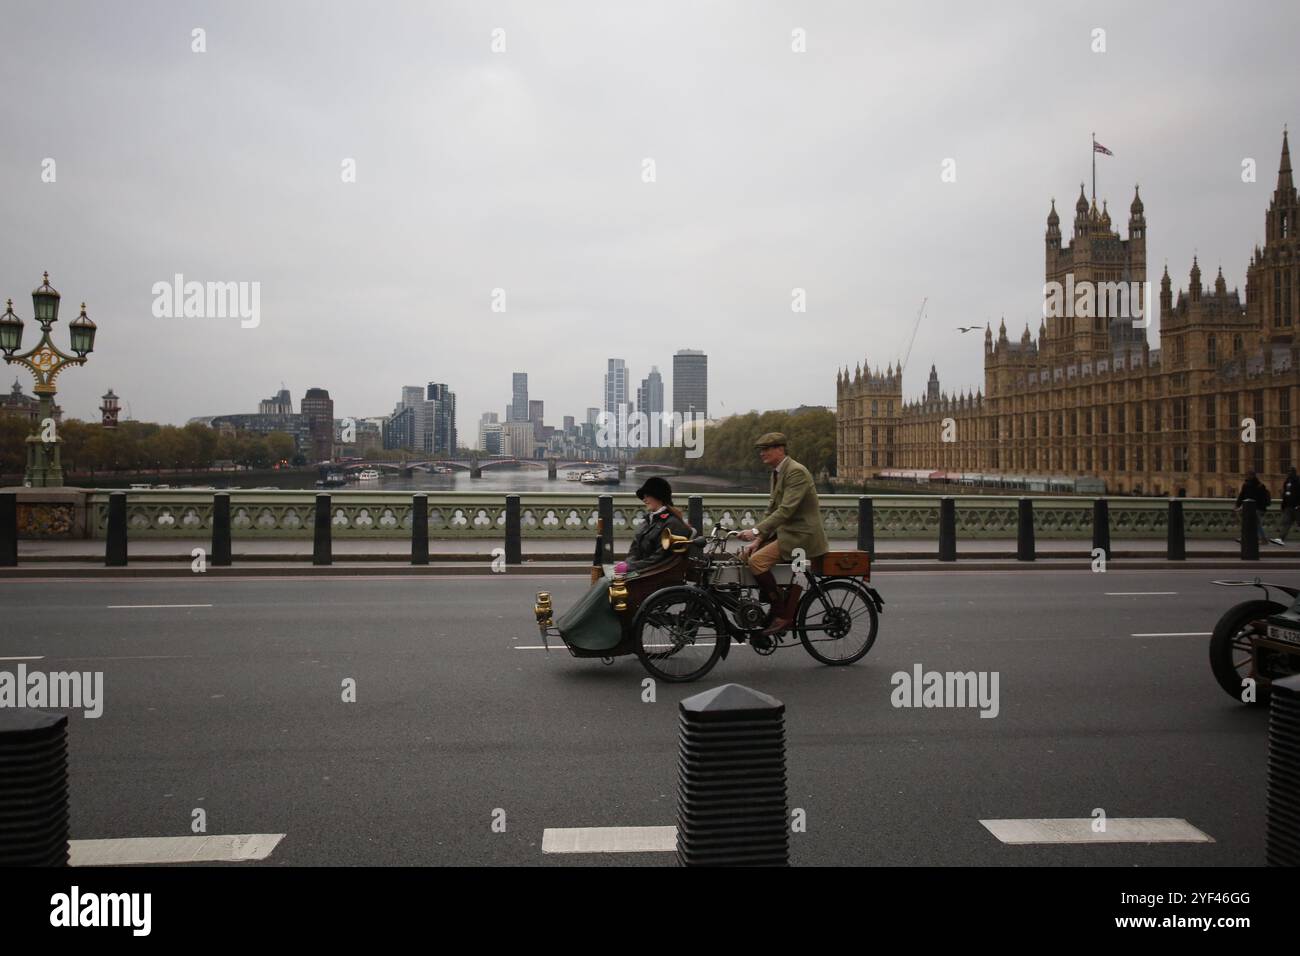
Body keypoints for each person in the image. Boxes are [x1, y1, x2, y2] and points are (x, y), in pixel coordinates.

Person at [736, 432, 830, 640]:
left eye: (767, 449)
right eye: (761, 450)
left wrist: (755, 530)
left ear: (781, 449)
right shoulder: (777, 472)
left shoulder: (796, 472)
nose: (762, 453)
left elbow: (786, 510)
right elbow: (772, 510)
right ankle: (775, 601)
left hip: (801, 535)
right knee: (745, 556)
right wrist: (758, 539)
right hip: (787, 532)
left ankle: (781, 614)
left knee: (758, 562)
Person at [619, 476, 694, 574]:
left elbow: (659, 558)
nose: (644, 500)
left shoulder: (673, 524)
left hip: (654, 575)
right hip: (642, 571)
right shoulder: (647, 521)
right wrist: (628, 565)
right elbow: (635, 550)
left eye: (647, 496)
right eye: (643, 497)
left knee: (605, 583)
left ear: (658, 496)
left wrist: (630, 567)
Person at [1234, 469, 1272, 545]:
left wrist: (1238, 505)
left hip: (1254, 508)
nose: (1247, 476)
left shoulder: (1248, 485)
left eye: (1248, 475)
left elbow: (1242, 496)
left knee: (1253, 524)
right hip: (1257, 508)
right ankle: (1249, 538)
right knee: (1252, 524)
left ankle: (1262, 539)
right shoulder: (1260, 485)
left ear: (1251, 476)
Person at [1274, 466, 1299, 546]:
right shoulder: (1287, 481)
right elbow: (1285, 495)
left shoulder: (1298, 481)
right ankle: (1281, 538)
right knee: (1286, 523)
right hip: (1288, 506)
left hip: (1297, 506)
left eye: (1290, 471)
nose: (1289, 473)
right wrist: (1283, 505)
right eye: (1288, 471)